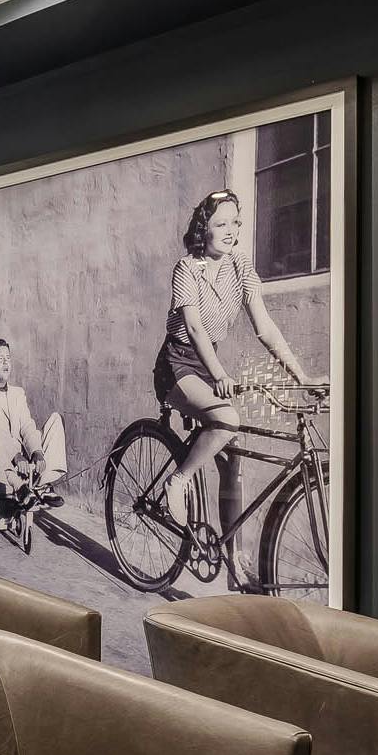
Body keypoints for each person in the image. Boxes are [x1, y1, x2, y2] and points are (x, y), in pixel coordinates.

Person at [153, 189, 307, 530]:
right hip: (176, 365)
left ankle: (232, 555)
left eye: (235, 222)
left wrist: (302, 376)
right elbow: (193, 327)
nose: (230, 230)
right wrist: (221, 374)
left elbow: (264, 327)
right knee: (226, 419)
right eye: (220, 223)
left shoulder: (241, 266)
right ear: (202, 228)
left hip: (208, 366)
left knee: (232, 461)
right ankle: (177, 482)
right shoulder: (187, 268)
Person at [0, 337, 66, 539]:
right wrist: (16, 456)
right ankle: (21, 488)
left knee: (55, 421)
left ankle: (40, 485)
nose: (6, 363)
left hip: (24, 468)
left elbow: (26, 425)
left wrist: (36, 452)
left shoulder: (18, 393)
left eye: (8, 358)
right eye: (0, 359)